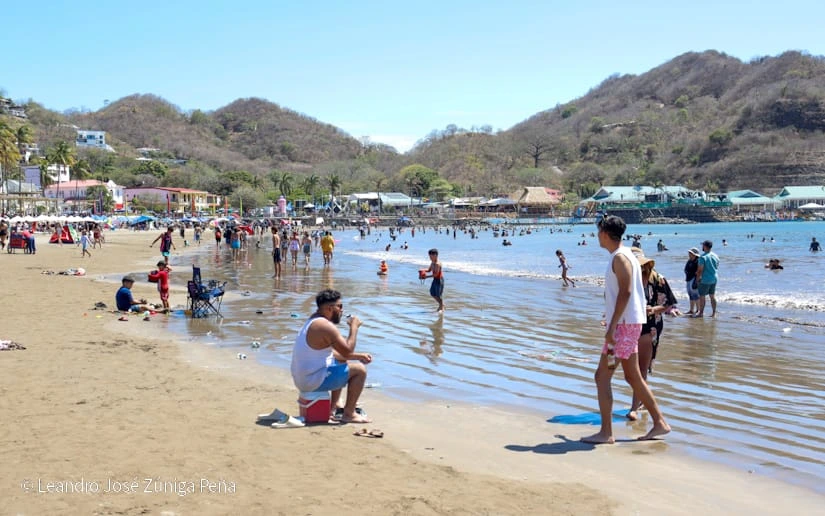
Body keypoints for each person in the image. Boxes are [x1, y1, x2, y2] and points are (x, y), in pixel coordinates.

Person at [581, 215, 670, 444]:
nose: (597, 236)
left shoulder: (620, 257)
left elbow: (626, 292)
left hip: (623, 328)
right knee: (633, 377)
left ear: (604, 233)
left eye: (598, 232)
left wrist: (612, 327)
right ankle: (659, 423)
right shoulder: (625, 254)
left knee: (602, 377)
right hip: (628, 325)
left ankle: (606, 433)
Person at [290, 289, 372, 424]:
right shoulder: (325, 326)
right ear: (329, 308)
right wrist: (354, 327)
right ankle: (349, 413)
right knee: (359, 370)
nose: (342, 310)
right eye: (339, 306)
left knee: (341, 361)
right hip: (312, 381)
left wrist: (358, 355)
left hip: (304, 378)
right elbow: (347, 350)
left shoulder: (313, 320)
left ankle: (332, 409)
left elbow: (331, 353)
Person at [628, 250, 677, 420]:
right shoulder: (627, 277)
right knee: (634, 369)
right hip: (630, 324)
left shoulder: (657, 279)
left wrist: (653, 309)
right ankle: (641, 400)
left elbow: (669, 303)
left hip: (651, 326)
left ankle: (634, 407)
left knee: (640, 368)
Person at [694, 240, 720, 318]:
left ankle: (701, 313)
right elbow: (717, 266)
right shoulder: (715, 256)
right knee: (712, 296)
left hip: (705, 279)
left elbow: (700, 270)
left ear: (705, 246)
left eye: (703, 245)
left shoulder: (702, 257)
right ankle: (714, 313)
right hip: (714, 278)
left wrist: (697, 279)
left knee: (702, 296)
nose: (702, 247)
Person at [684, 247, 701, 315]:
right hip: (688, 279)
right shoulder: (689, 260)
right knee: (690, 295)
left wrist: (697, 280)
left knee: (695, 295)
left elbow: (699, 271)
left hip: (694, 279)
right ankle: (691, 310)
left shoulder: (698, 261)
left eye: (690, 253)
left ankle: (698, 310)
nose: (689, 254)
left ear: (694, 254)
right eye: (689, 253)